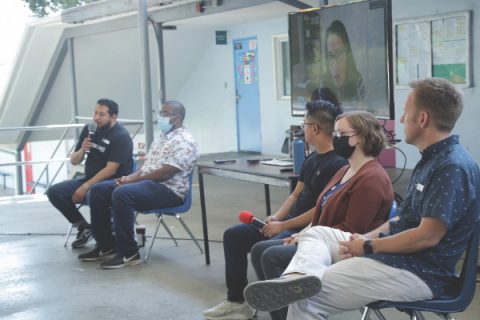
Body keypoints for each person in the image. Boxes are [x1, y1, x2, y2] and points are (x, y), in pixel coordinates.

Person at [243, 78, 480, 320]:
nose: (401, 120)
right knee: (316, 233)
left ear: (422, 119)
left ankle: (299, 286)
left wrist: (368, 246)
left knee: (305, 299)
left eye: (406, 113)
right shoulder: (431, 159)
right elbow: (403, 219)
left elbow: (427, 236)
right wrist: (365, 238)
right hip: (398, 257)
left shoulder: (452, 166)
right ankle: (298, 278)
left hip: (416, 270)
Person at [202, 94, 348, 320]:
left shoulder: (337, 163)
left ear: (316, 129)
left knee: (266, 249)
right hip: (287, 223)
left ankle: (285, 314)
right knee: (233, 236)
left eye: (305, 125)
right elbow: (296, 194)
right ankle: (237, 302)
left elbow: (321, 209)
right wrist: (276, 218)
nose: (303, 129)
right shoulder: (312, 159)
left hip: (308, 228)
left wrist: (283, 226)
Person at [250, 110, 395, 320]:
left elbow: (351, 230)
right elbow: (321, 210)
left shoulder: (372, 179)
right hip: (319, 238)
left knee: (272, 256)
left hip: (346, 246)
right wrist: (304, 234)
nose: (336, 139)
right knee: (259, 249)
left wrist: (308, 236)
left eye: (341, 133)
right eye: (335, 133)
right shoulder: (346, 169)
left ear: (361, 137)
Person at [78, 100, 199, 269]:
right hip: (149, 184)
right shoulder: (161, 138)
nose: (160, 117)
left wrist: (134, 181)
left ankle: (129, 253)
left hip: (169, 190)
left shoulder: (185, 141)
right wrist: (129, 177)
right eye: (160, 112)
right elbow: (147, 168)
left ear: (177, 118)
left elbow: (165, 173)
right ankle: (106, 246)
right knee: (98, 190)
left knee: (122, 194)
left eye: (164, 114)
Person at [46, 98, 133, 248]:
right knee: (54, 192)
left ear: (113, 117)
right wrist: (82, 149)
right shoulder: (89, 129)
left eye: (102, 114)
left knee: (94, 194)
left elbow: (111, 169)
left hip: (112, 183)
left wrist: (85, 186)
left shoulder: (121, 137)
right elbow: (74, 161)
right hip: (90, 179)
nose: (96, 118)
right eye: (95, 113)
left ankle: (105, 241)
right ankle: (84, 227)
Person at [320, 20, 365, 108]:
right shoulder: (323, 84)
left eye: (339, 53)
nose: (335, 65)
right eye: (330, 55)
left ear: (347, 54)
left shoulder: (358, 81)